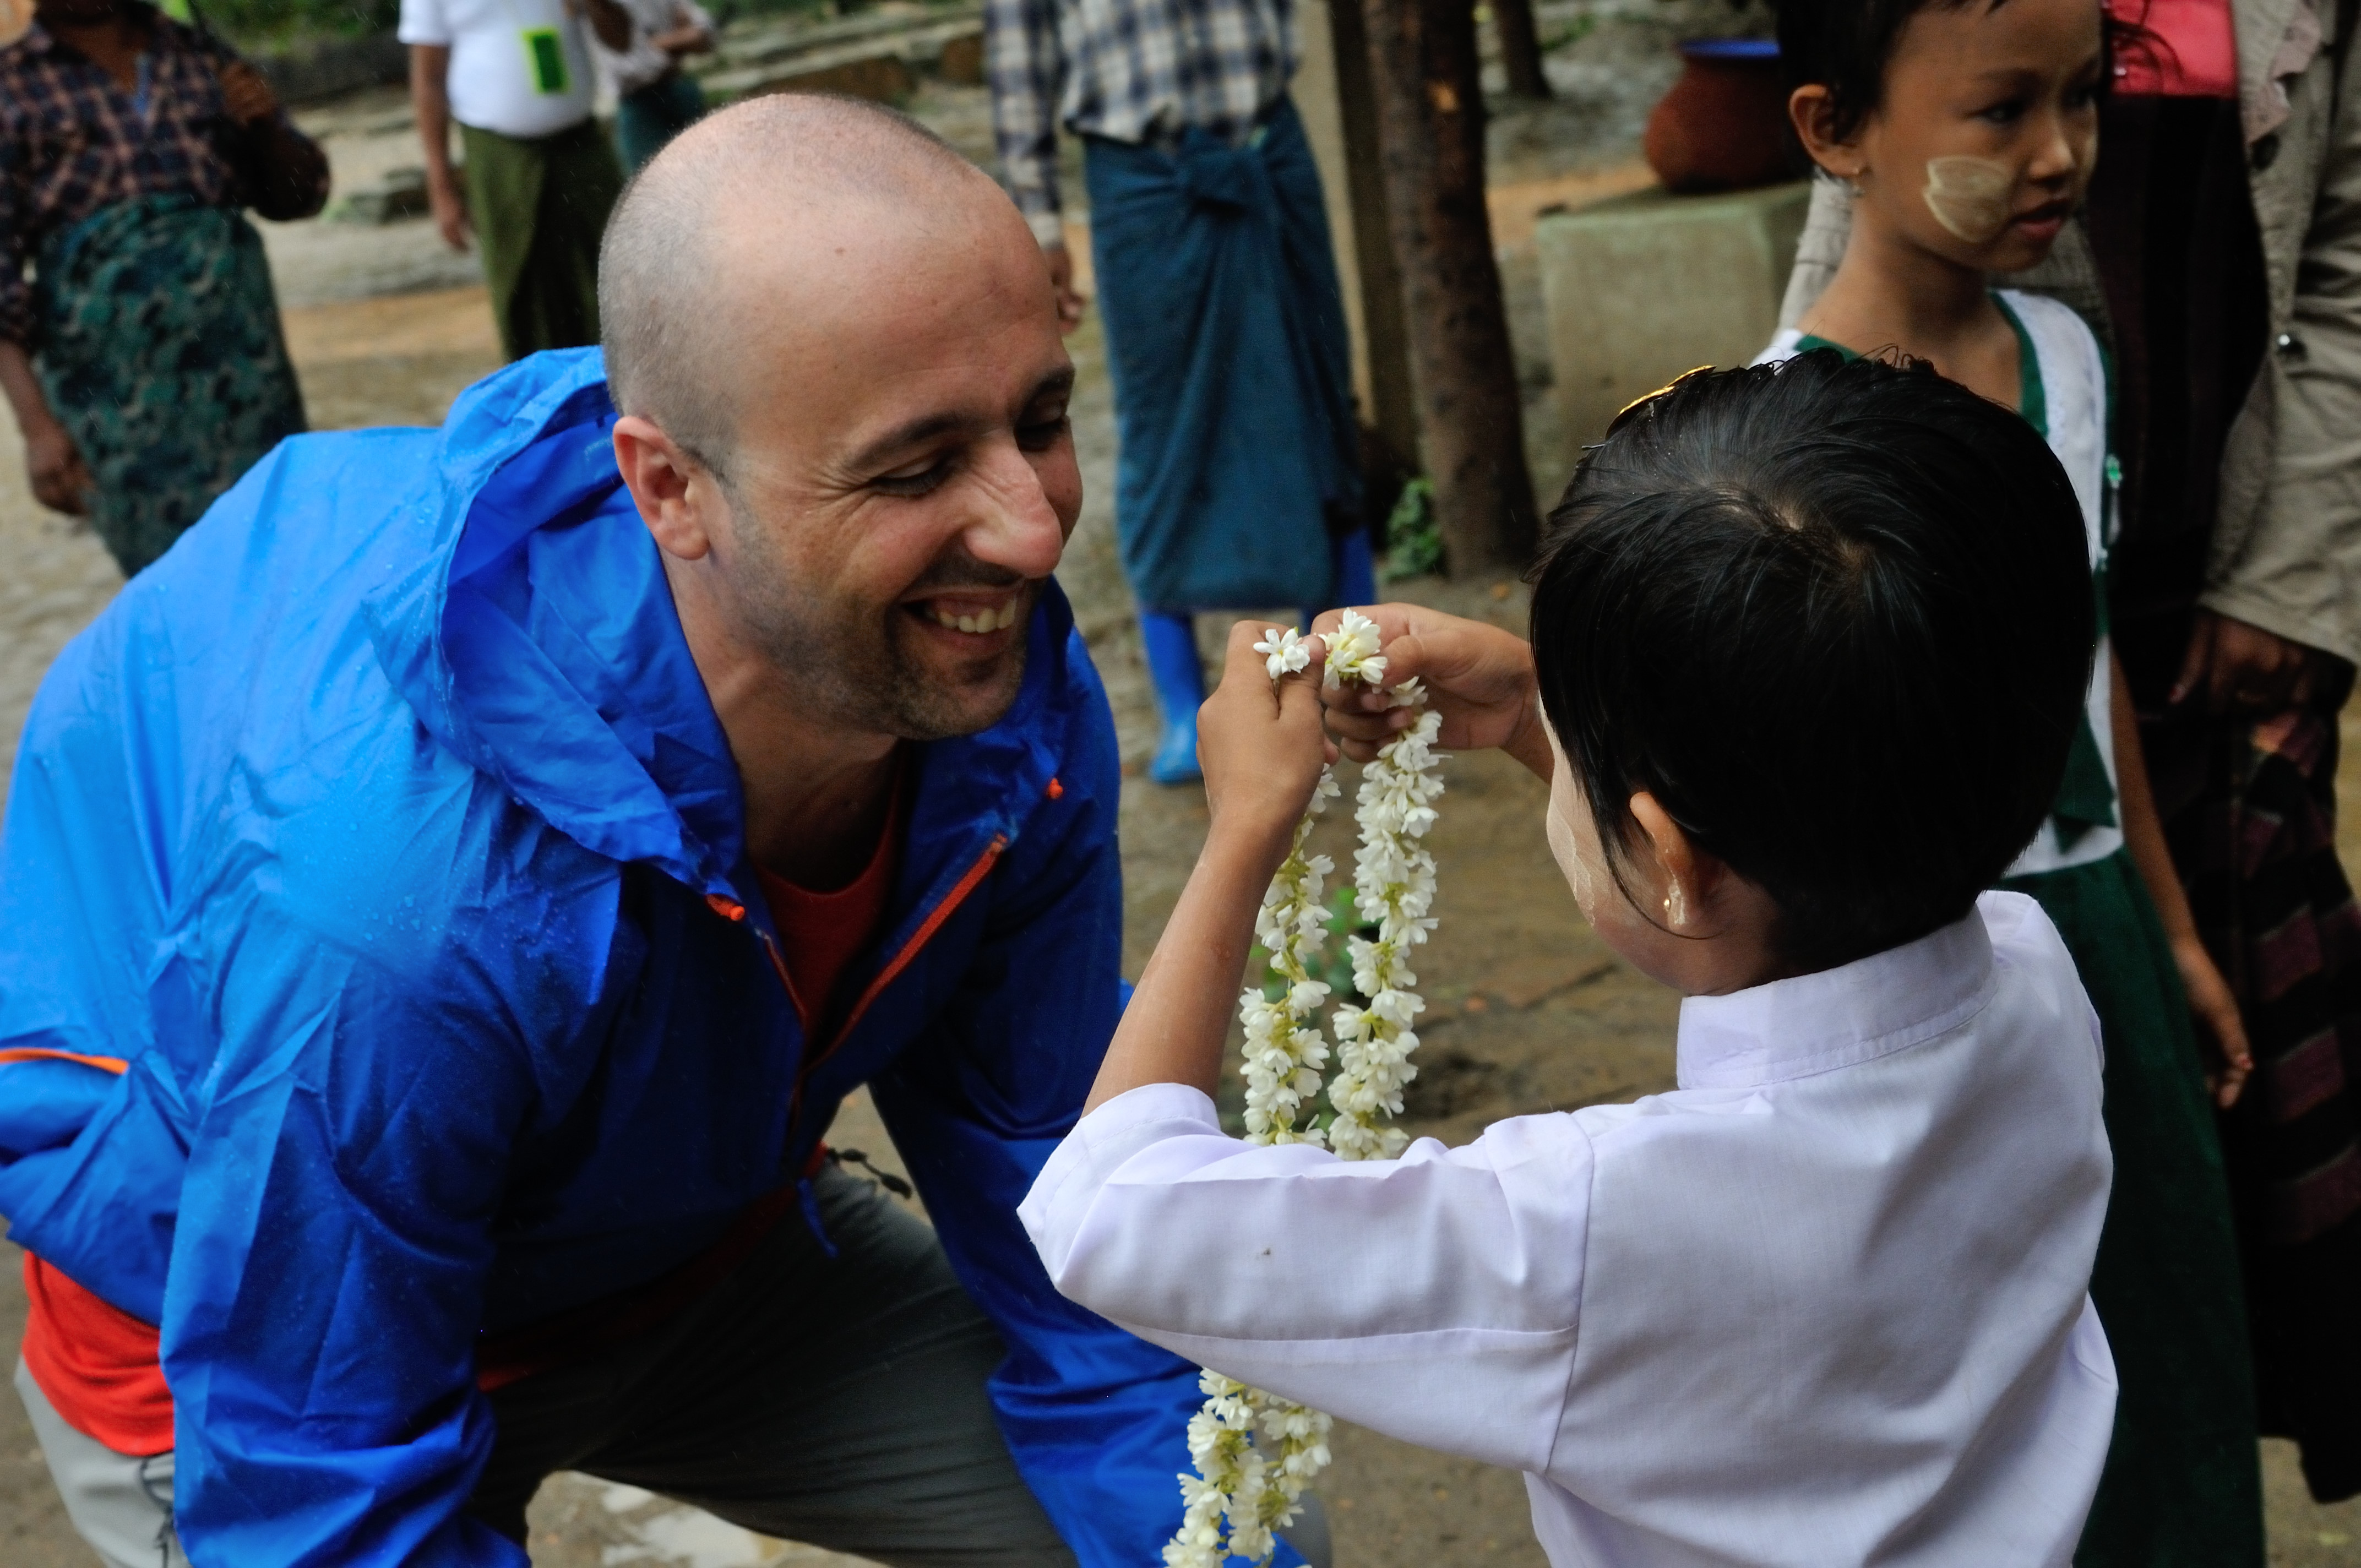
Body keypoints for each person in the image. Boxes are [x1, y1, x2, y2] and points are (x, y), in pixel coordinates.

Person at [0, 95, 1324, 1568]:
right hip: (258, 1351)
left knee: (1233, 1511)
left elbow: (1059, 1186)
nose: (1027, 530)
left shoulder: (987, 693)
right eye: (915, 468)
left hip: (690, 1254)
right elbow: (321, 1479)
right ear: (668, 487)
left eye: (1042, 420)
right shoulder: (393, 904)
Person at [1023, 352, 2118, 1565]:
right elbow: (1717, 863)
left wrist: (1243, 831)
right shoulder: (2037, 981)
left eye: (1584, 769)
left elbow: (1104, 1209)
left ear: (1660, 851)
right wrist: (1539, 712)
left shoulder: (1588, 1229)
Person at [1777, 0, 2361, 1502]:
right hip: (1934, 969)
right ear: (1833, 130)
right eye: (1999, 114)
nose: (2061, 155)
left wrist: (2171, 933)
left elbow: (2091, 671)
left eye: (2085, 102)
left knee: (2171, 1324)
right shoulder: (1785, 437)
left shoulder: (2063, 356)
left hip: (2106, 926)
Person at [984, 0, 1372, 785]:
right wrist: (1043, 223)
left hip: (1269, 148)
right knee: (1164, 430)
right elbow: (1019, 60)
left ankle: (1351, 676)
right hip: (1144, 181)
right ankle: (1181, 706)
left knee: (1319, 403)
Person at [0, 0, 325, 577]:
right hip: (116, 406)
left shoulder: (201, 56)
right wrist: (38, 429)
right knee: (172, 582)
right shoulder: (13, 88)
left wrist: (266, 127)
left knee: (279, 555)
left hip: (248, 382)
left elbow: (298, 197)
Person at [403, 0, 628, 360]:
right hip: (499, 153)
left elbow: (622, 39)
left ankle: (630, 391)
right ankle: (543, 406)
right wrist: (441, 184)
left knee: (617, 270)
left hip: (580, 145)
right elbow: (428, 79)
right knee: (523, 285)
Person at [590, 0, 714, 173]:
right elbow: (631, 62)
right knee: (652, 185)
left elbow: (706, 34)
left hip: (679, 90)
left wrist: (659, 45)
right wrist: (679, 39)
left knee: (710, 175)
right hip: (638, 105)